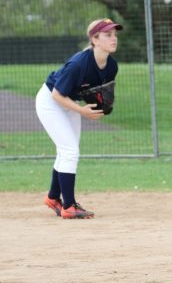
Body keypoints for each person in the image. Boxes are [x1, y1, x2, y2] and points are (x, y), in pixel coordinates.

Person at [36, 18, 122, 219]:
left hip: (70, 103)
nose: (114, 38)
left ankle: (52, 198)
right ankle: (69, 206)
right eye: (108, 34)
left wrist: (99, 107)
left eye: (115, 34)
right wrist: (83, 111)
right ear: (95, 39)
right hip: (50, 101)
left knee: (67, 151)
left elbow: (97, 91)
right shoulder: (78, 64)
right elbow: (57, 94)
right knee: (69, 150)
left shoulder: (111, 66)